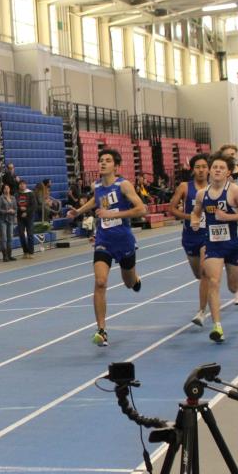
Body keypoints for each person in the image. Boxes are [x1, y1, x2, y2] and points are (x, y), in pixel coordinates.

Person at [67, 149, 146, 347]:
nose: (103, 163)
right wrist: (78, 211)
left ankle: (135, 279)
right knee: (100, 282)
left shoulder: (123, 185)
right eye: (101, 160)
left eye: (108, 160)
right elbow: (96, 200)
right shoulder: (96, 186)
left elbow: (141, 209)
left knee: (129, 283)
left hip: (124, 240)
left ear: (116, 166)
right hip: (104, 240)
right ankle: (101, 330)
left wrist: (113, 215)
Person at [190, 153, 238, 343]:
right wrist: (195, 221)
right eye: (215, 167)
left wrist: (229, 217)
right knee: (213, 281)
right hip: (213, 244)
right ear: (210, 171)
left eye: (222, 168)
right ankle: (217, 327)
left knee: (233, 286)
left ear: (228, 173)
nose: (217, 170)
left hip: (234, 244)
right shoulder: (201, 194)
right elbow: (196, 213)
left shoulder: (235, 191)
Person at [167, 154, 211, 326]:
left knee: (205, 272)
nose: (201, 170)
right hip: (190, 237)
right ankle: (208, 287)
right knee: (199, 275)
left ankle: (201, 312)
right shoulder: (185, 187)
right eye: (198, 167)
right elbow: (172, 209)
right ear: (193, 170)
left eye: (204, 167)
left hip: (208, 236)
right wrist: (189, 216)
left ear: (208, 169)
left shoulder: (214, 187)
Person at [15, 179, 37, 260]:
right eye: (20, 184)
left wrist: (26, 212)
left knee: (30, 234)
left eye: (23, 184)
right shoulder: (16, 194)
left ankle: (31, 252)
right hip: (20, 217)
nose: (22, 185)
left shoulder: (31, 193)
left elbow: (34, 205)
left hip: (29, 217)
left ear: (26, 185)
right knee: (21, 234)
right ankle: (25, 252)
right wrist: (20, 209)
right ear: (19, 186)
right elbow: (14, 205)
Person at [0, 183, 17, 262]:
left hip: (11, 220)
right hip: (2, 220)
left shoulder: (13, 198)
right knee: (4, 238)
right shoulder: (0, 198)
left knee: (10, 238)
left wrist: (14, 212)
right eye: (5, 188)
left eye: (8, 188)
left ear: (10, 189)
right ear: (3, 190)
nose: (7, 190)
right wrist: (7, 211)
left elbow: (16, 208)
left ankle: (9, 255)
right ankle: (5, 256)